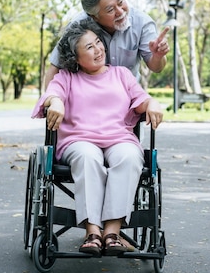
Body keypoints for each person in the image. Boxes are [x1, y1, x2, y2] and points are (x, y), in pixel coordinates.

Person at [32, 18, 164, 257]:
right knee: (87, 157)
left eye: (98, 43)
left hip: (118, 138)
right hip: (79, 140)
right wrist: (57, 102)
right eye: (89, 47)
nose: (98, 49)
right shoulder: (67, 77)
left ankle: (112, 233)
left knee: (129, 156)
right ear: (75, 57)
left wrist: (152, 103)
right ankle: (92, 232)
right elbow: (51, 93)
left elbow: (141, 98)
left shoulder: (122, 74)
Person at [43, 0, 171, 88]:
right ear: (94, 16)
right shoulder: (77, 26)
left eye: (120, 2)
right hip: (86, 99)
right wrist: (51, 103)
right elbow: (56, 66)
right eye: (110, 10)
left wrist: (158, 56)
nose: (120, 12)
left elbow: (157, 68)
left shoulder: (142, 23)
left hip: (126, 97)